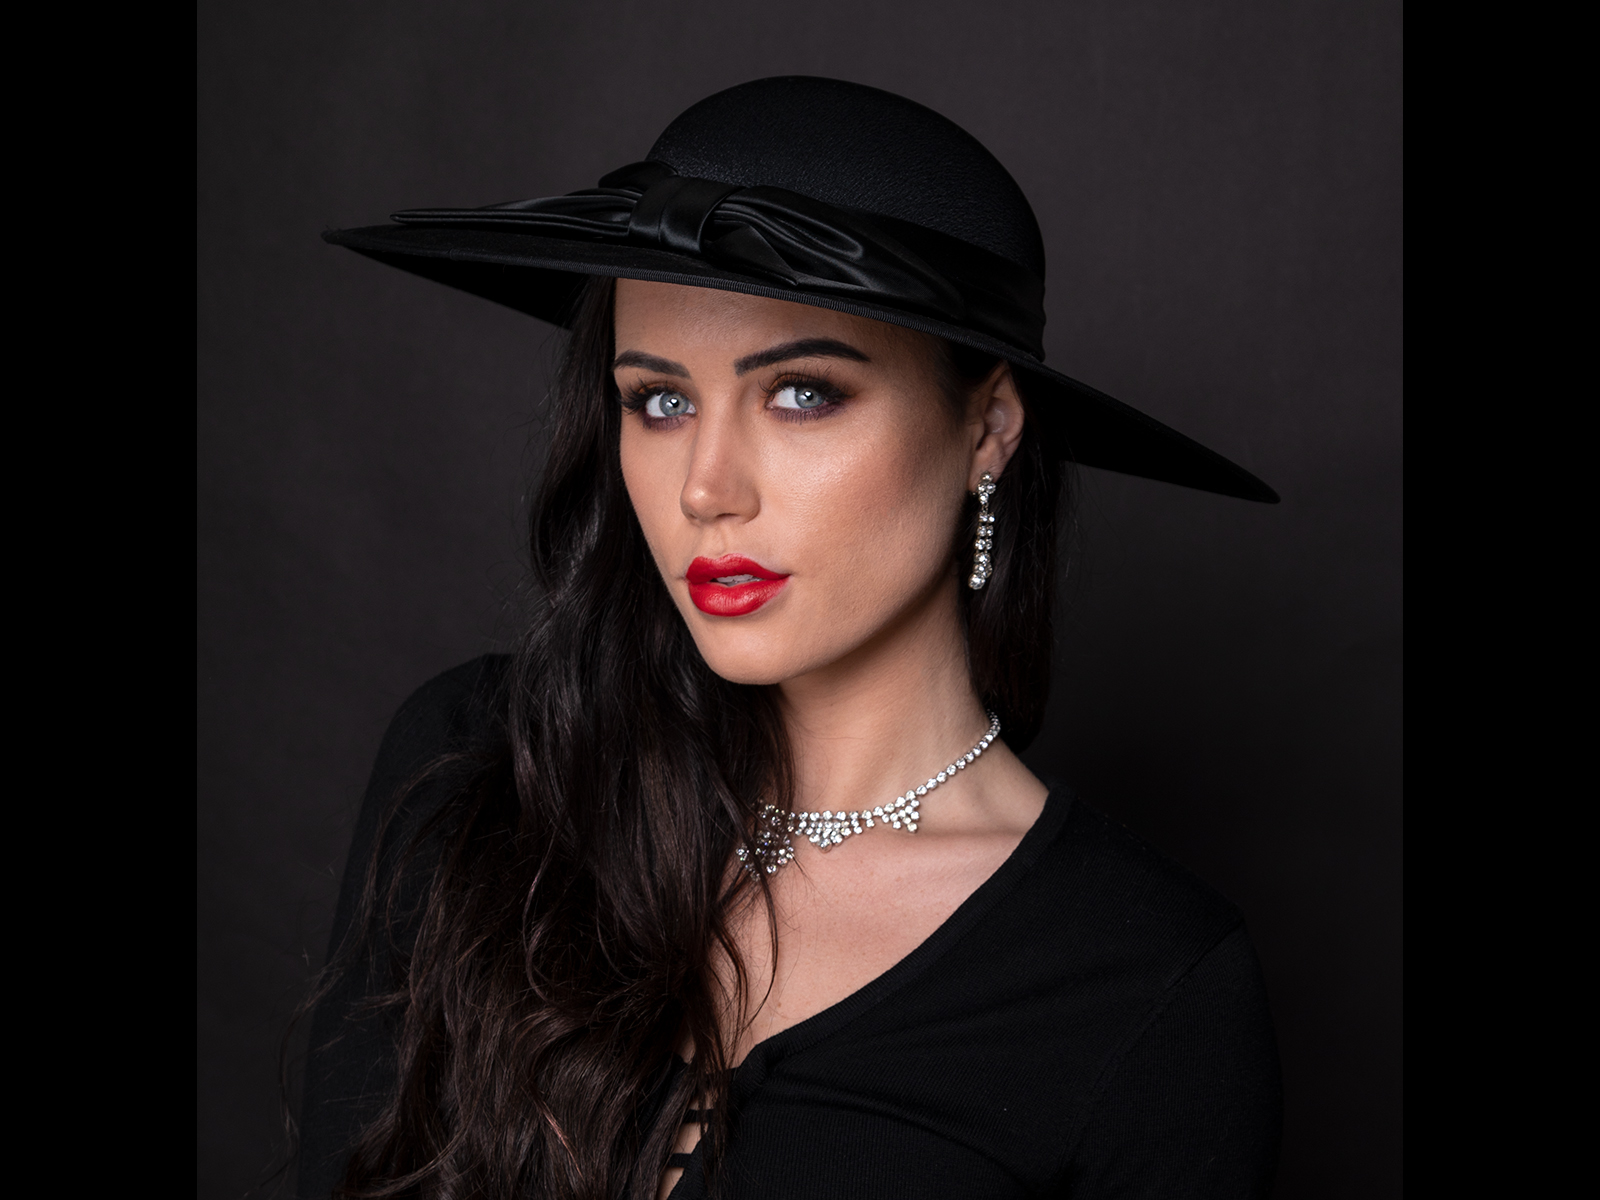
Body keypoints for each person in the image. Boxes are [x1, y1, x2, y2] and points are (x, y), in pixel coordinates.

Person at [298, 77, 1282, 1200]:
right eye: (660, 402)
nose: (706, 487)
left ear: (987, 430)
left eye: (801, 393)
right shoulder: (480, 772)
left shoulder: (1144, 984)